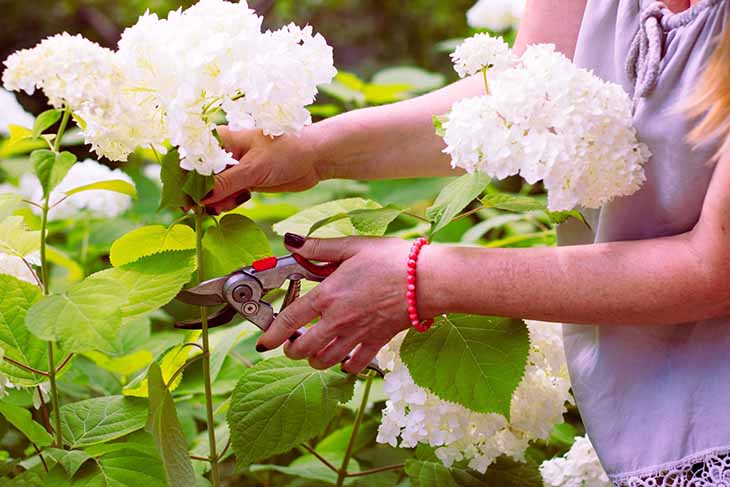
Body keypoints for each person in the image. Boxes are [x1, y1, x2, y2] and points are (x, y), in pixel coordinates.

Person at [203, 1, 730, 484]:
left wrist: (423, 278)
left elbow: (715, 270)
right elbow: (519, 98)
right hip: (648, 428)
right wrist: (315, 151)